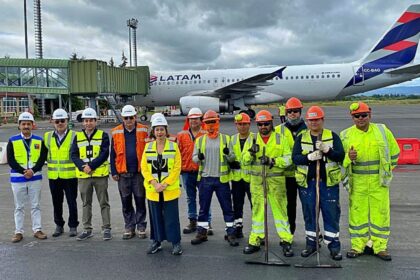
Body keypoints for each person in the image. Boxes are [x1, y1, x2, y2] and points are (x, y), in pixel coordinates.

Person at [340, 102, 400, 261]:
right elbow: (339, 161)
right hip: (357, 182)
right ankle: (357, 246)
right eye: (356, 116)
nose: (360, 118)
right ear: (351, 117)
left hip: (378, 183)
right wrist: (348, 158)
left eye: (363, 115)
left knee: (380, 214)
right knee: (357, 215)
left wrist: (386, 171)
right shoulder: (345, 135)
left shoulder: (382, 131)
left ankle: (379, 247)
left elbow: (394, 154)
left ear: (370, 114)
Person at [292, 106, 344, 261]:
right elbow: (295, 158)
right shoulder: (301, 137)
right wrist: (309, 157)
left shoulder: (332, 136)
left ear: (322, 120)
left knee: (331, 214)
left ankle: (334, 246)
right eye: (311, 120)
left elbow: (340, 156)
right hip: (308, 184)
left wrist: (328, 151)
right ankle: (312, 244)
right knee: (310, 214)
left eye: (317, 119)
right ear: (307, 121)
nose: (314, 123)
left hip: (328, 184)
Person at [242, 110, 294, 257]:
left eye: (266, 124)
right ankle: (255, 240)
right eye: (260, 124)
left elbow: (289, 159)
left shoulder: (280, 138)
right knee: (257, 213)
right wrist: (250, 153)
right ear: (257, 125)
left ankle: (286, 241)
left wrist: (273, 161)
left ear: (271, 123)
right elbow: (243, 160)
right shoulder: (251, 140)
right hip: (258, 183)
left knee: (281, 213)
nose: (263, 127)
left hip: (276, 184)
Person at [190, 110, 238, 247]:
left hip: (221, 179)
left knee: (227, 208)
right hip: (206, 178)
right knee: (203, 208)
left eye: (213, 122)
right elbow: (194, 158)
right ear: (204, 124)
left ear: (218, 122)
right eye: (208, 123)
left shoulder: (226, 139)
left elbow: (233, 158)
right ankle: (202, 233)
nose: (211, 125)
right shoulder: (200, 140)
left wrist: (229, 154)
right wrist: (198, 158)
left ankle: (230, 232)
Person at [141, 113, 183, 255]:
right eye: (157, 129)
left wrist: (164, 184)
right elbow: (144, 168)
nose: (159, 132)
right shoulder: (148, 147)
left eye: (162, 129)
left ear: (166, 130)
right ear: (153, 131)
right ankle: (156, 241)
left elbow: (177, 168)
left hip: (169, 190)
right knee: (155, 218)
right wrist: (154, 183)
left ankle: (176, 243)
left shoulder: (174, 146)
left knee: (172, 218)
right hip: (153, 191)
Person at [71, 108, 111, 241]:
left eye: (91, 120)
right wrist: (83, 167)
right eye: (86, 121)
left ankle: (106, 228)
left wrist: (91, 166)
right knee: (85, 203)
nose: (88, 123)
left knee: (103, 202)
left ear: (96, 121)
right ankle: (87, 229)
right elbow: (74, 154)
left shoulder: (103, 135)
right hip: (84, 176)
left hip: (100, 175)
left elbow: (104, 153)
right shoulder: (78, 136)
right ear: (83, 122)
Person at [7, 112, 48, 243]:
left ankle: (37, 230)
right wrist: (24, 171)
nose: (26, 126)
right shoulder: (12, 140)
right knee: (19, 206)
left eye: (28, 124)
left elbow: (42, 158)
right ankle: (18, 232)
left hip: (35, 178)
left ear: (32, 125)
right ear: (19, 125)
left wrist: (33, 170)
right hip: (18, 178)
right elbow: (11, 159)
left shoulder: (39, 140)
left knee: (35, 205)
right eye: (23, 124)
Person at [110, 105, 148, 240]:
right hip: (123, 174)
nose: (129, 120)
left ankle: (141, 226)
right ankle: (129, 226)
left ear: (135, 117)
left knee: (140, 200)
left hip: (139, 173)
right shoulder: (116, 132)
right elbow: (112, 154)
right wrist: (113, 171)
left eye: (131, 117)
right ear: (122, 118)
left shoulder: (144, 130)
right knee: (126, 202)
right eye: (126, 118)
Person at [176, 108, 213, 235]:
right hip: (187, 171)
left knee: (204, 198)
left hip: (202, 172)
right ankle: (193, 221)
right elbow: (178, 153)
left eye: (196, 118)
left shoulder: (206, 134)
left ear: (200, 120)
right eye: (191, 119)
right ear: (188, 120)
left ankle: (206, 222)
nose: (194, 121)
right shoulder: (181, 135)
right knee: (190, 198)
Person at [275, 97, 307, 235]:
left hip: (305, 175)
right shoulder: (277, 130)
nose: (292, 114)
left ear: (300, 112)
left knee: (309, 207)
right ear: (286, 113)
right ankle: (289, 234)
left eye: (295, 111)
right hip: (287, 176)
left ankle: (312, 236)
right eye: (290, 112)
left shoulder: (309, 128)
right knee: (289, 207)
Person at [45, 109, 79, 238]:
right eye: (57, 121)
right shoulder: (47, 136)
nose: (60, 123)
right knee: (56, 202)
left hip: (70, 176)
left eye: (62, 121)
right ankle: (59, 225)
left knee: (72, 202)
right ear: (53, 121)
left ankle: (73, 226)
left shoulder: (74, 135)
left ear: (67, 121)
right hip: (54, 176)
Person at [229, 112, 254, 238]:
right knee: (237, 205)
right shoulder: (232, 139)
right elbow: (228, 156)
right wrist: (230, 162)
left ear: (249, 125)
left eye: (245, 124)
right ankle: (238, 228)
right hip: (237, 179)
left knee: (255, 205)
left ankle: (257, 231)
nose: (242, 127)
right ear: (236, 125)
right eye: (240, 124)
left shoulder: (255, 138)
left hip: (251, 179)